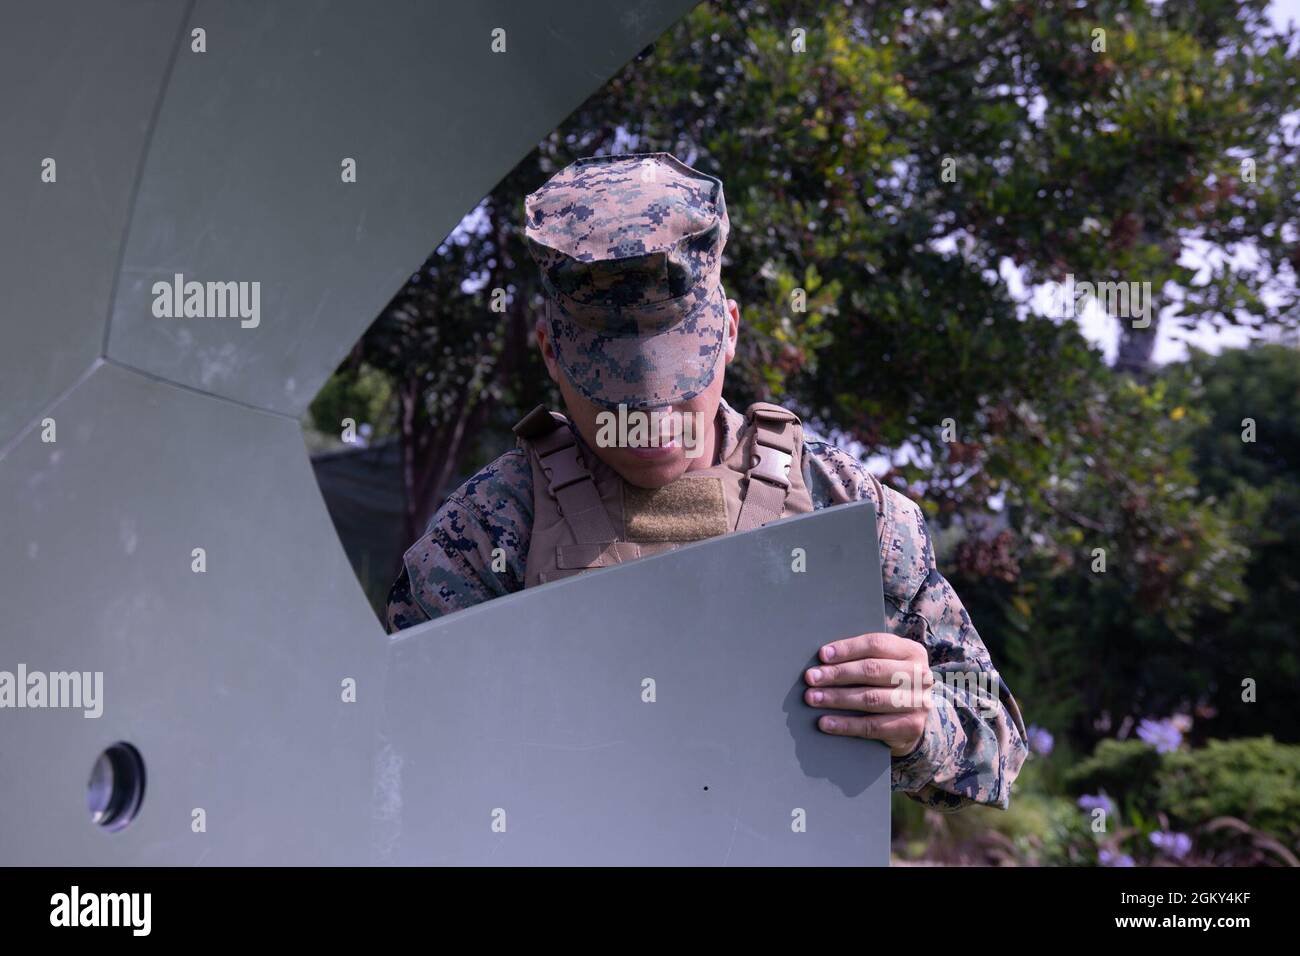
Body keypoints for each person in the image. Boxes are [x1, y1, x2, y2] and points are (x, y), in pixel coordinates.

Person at [385, 152, 1028, 811]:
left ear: (727, 334)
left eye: (675, 379)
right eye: (615, 392)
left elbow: (997, 739)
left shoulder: (848, 508)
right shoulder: (491, 528)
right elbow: (395, 756)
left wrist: (922, 725)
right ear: (550, 351)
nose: (652, 417)